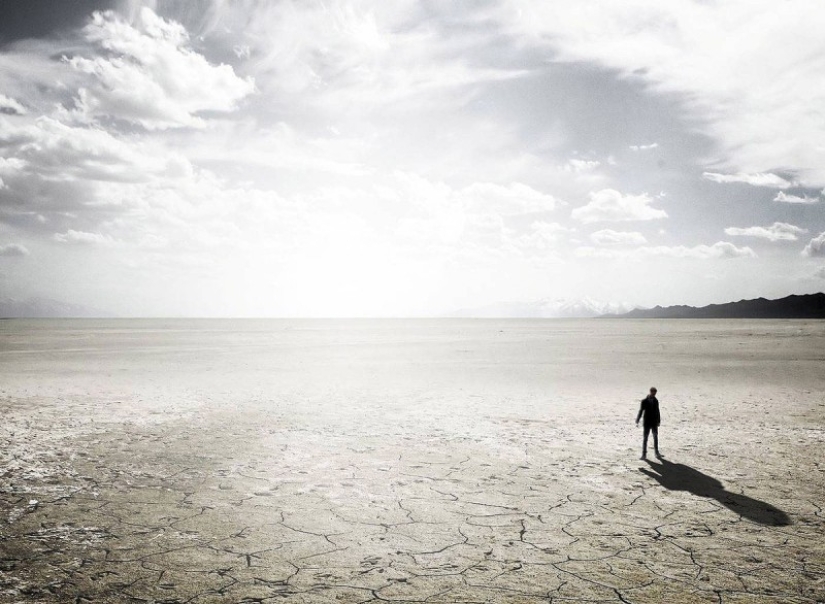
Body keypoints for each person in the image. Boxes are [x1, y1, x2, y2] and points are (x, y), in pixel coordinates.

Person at [636, 387, 661, 460]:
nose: (654, 394)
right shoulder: (644, 401)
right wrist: (638, 419)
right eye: (653, 392)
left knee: (655, 437)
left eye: (655, 393)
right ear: (650, 392)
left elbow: (657, 411)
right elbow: (641, 411)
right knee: (645, 438)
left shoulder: (656, 401)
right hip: (647, 422)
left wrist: (658, 421)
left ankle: (656, 452)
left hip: (654, 422)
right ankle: (644, 454)